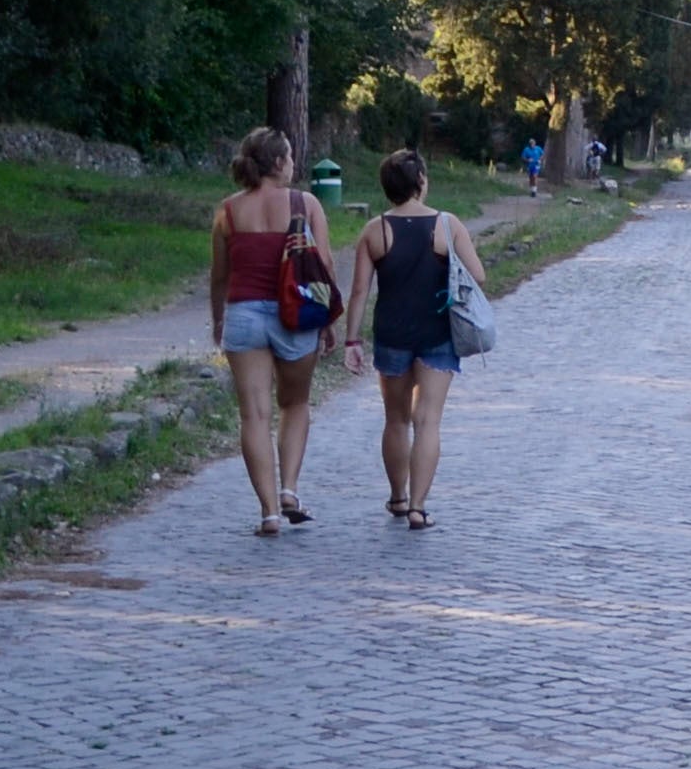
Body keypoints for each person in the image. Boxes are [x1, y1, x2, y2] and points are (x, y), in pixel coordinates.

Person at [340, 150, 487, 531]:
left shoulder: (375, 230)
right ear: (421, 180)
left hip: (391, 335)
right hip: (438, 334)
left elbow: (359, 291)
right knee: (428, 421)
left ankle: (398, 497)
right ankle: (420, 507)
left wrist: (351, 340)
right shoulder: (447, 224)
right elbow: (479, 276)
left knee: (395, 420)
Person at [207, 128, 335, 538]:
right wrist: (330, 322)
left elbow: (219, 276)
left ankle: (267, 513)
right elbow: (325, 266)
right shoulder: (305, 203)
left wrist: (217, 320)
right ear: (279, 163)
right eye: (291, 157)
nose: (295, 164)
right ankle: (289, 490)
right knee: (295, 404)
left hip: (244, 315)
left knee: (254, 416)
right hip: (294, 313)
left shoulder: (227, 211)